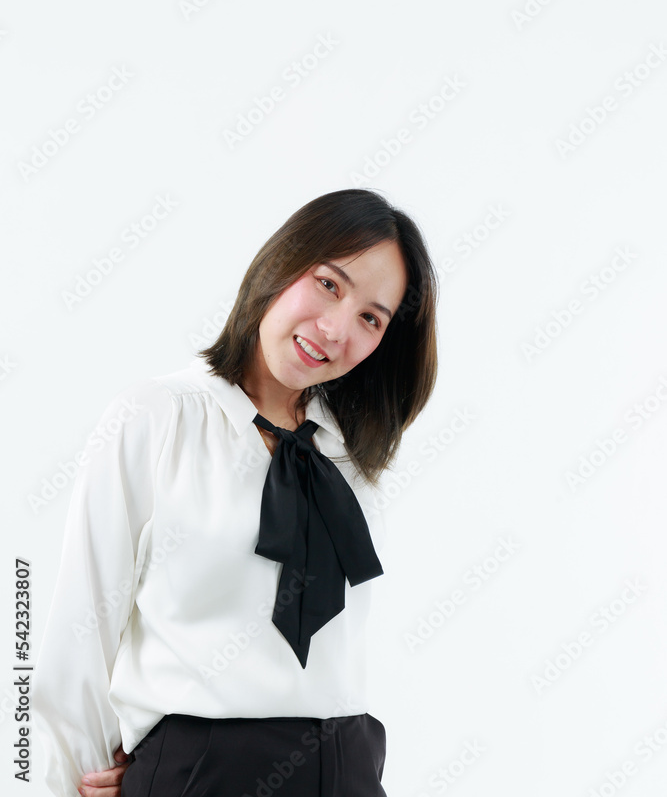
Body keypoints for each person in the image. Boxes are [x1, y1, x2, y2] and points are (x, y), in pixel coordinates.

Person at [32, 187, 438, 797]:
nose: (334, 329)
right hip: (203, 775)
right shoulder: (157, 419)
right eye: (329, 284)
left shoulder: (348, 458)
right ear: (282, 262)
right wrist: (63, 783)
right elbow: (76, 641)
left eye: (371, 318)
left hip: (347, 770)